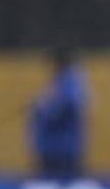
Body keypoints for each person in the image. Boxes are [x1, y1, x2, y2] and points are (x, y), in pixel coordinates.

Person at [29, 46, 88, 178]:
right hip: (56, 149)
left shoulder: (70, 81)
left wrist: (42, 107)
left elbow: (66, 107)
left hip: (61, 150)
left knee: (61, 187)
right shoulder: (64, 81)